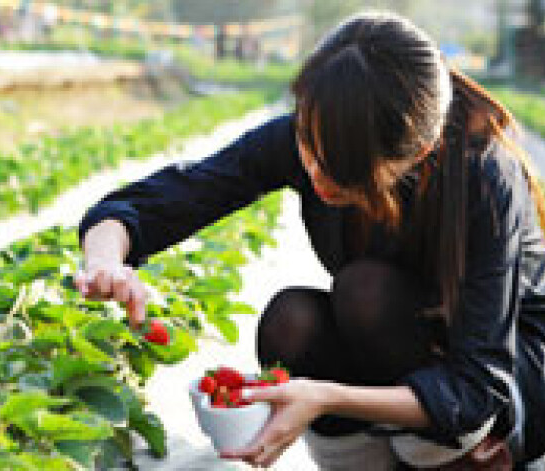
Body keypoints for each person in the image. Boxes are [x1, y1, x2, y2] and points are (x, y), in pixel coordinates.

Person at [75, 11, 545, 470]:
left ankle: (447, 462)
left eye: (341, 166)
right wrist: (105, 261)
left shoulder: (483, 178)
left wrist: (324, 396)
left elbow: (478, 388)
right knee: (290, 323)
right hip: (403, 353)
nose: (316, 174)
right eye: (307, 145)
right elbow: (164, 199)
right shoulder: (315, 138)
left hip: (504, 370)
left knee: (366, 292)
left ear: (416, 153)